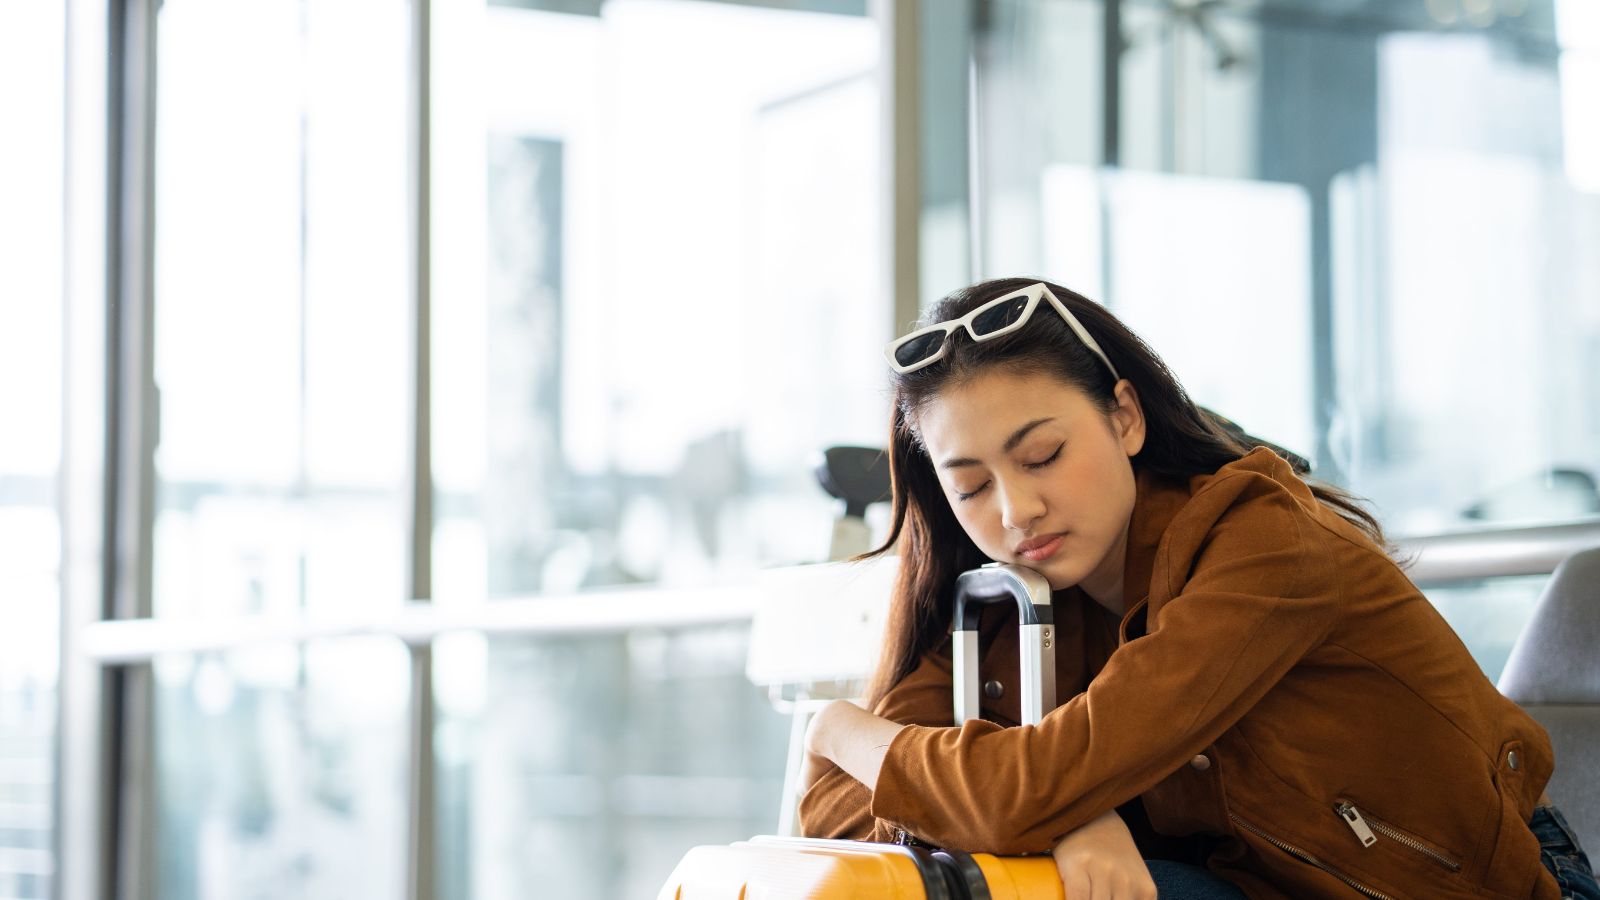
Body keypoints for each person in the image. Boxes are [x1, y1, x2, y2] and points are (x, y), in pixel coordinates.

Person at [796, 278, 1599, 900]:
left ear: (1126, 418)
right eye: (971, 486)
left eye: (1041, 456)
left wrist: (840, 730)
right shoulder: (1012, 598)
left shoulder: (1265, 546)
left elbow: (1016, 785)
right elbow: (833, 823)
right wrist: (1061, 813)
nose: (1016, 510)